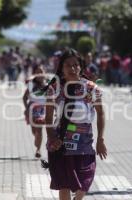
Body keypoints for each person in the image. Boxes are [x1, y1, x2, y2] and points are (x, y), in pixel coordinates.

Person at [44, 48, 107, 200]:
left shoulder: (91, 88)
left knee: (86, 177)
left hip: (84, 142)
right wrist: (53, 137)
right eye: (68, 65)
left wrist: (100, 140)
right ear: (61, 68)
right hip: (61, 141)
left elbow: (101, 113)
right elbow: (48, 118)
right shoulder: (54, 88)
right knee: (63, 183)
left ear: (81, 66)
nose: (72, 68)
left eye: (75, 65)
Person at [23, 65, 47, 158]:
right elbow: (24, 97)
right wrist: (26, 109)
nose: (39, 74)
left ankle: (38, 150)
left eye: (41, 71)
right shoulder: (31, 84)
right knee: (34, 131)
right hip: (32, 109)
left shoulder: (48, 84)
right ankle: (37, 140)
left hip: (43, 109)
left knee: (39, 129)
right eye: (37, 72)